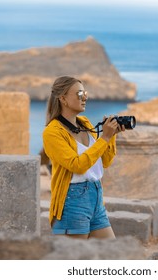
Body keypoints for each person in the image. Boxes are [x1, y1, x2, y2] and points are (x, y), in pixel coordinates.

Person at [42, 76, 125, 239]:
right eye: (80, 93)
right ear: (63, 99)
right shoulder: (52, 132)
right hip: (72, 201)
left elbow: (105, 161)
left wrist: (112, 135)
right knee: (72, 260)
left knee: (111, 255)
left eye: (85, 93)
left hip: (95, 197)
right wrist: (104, 138)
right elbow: (77, 165)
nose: (85, 97)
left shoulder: (85, 124)